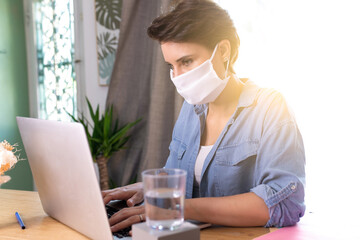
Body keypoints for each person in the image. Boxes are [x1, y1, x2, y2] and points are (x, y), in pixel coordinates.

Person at [102, 0, 305, 232]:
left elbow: (287, 203)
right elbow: (183, 180)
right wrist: (146, 189)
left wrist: (179, 207)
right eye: (171, 66)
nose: (177, 77)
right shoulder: (192, 108)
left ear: (224, 51)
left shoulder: (270, 108)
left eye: (186, 62)